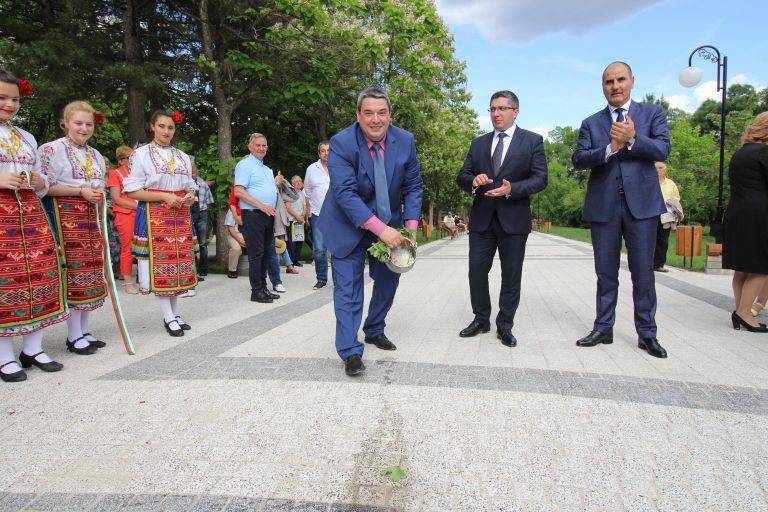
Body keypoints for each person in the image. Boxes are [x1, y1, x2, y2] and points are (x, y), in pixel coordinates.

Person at [318, 87, 423, 376]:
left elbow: (413, 186)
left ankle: (375, 328)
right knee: (349, 288)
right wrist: (381, 230)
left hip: (390, 222)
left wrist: (410, 229)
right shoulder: (341, 143)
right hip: (346, 223)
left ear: (390, 115)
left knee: (389, 280)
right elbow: (346, 194)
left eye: (382, 112)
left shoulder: (406, 141)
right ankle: (350, 351)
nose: (375, 119)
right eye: (368, 113)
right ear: (358, 115)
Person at [571, 61, 670, 358]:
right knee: (606, 273)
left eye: (620, 80)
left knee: (643, 274)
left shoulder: (652, 113)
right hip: (605, 208)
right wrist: (610, 149)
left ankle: (647, 333)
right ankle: (603, 328)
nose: (615, 86)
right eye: (609, 81)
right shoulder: (591, 123)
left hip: (642, 207)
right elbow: (579, 159)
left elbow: (662, 150)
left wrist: (633, 140)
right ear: (603, 87)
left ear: (632, 81)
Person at [456, 90, 548, 347]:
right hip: (482, 220)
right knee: (476, 271)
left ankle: (505, 325)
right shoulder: (478, 144)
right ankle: (481, 319)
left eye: (501, 108)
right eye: (492, 109)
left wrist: (513, 189)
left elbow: (541, 179)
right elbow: (462, 176)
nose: (496, 113)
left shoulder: (532, 141)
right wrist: (473, 182)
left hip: (514, 220)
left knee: (511, 275)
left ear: (515, 111)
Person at [0, 69, 67, 382]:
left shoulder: (26, 137)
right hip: (2, 216)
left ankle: (33, 347)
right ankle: (4, 355)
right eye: (2, 97)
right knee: (6, 281)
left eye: (14, 98)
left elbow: (40, 178)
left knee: (39, 275)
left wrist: (39, 180)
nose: (9, 104)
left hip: (29, 213)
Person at [39, 100, 109, 355]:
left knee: (89, 274)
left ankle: (83, 330)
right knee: (73, 272)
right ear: (66, 122)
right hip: (64, 216)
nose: (84, 128)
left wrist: (97, 195)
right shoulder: (51, 150)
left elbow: (99, 184)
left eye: (88, 124)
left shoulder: (95, 155)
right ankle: (73, 335)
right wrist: (80, 191)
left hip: (89, 218)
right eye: (78, 123)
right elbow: (43, 186)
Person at [123, 110, 198, 337]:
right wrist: (164, 197)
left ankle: (174, 314)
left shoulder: (183, 156)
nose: (166, 131)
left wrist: (190, 196)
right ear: (152, 127)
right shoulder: (141, 154)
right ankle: (168, 316)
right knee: (161, 265)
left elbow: (190, 185)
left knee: (178, 266)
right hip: (155, 214)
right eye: (162, 126)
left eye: (170, 128)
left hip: (179, 215)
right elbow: (133, 190)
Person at [722, 112, 768, 332]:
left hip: (737, 212)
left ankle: (741, 310)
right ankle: (744, 313)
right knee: (761, 267)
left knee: (742, 268)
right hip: (758, 214)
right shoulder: (764, 153)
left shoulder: (741, 153)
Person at [234, 133, 285, 303]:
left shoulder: (266, 169)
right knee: (256, 254)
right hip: (253, 214)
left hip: (267, 215)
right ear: (250, 147)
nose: (261, 148)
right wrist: (261, 205)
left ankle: (263, 288)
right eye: (258, 145)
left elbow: (267, 190)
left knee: (264, 254)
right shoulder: (244, 165)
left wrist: (276, 182)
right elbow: (239, 191)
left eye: (264, 145)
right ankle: (256, 291)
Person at [107, 145, 138, 292]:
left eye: (133, 158)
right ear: (120, 160)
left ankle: (143, 278)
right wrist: (136, 206)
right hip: (125, 213)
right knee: (128, 247)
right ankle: (128, 283)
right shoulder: (115, 173)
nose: (131, 161)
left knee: (144, 245)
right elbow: (116, 198)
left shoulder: (136, 172)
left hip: (138, 213)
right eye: (128, 158)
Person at [304, 140, 331, 290]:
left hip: (337, 216)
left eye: (329, 150)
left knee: (339, 249)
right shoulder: (311, 169)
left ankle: (340, 280)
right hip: (318, 215)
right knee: (319, 249)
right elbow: (307, 191)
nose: (326, 153)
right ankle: (321, 279)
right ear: (319, 153)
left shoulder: (339, 167)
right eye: (323, 150)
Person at [653, 161, 681, 272]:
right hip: (651, 214)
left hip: (666, 215)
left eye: (660, 168)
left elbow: (677, 198)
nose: (658, 170)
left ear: (665, 170)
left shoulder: (670, 183)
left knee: (663, 240)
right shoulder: (650, 182)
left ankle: (659, 264)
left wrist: (671, 202)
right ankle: (647, 263)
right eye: (656, 168)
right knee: (649, 239)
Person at [191, 160, 214, 279]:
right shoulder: (186, 184)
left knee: (203, 243)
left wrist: (204, 214)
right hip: (189, 214)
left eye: (194, 172)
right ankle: (192, 269)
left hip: (201, 213)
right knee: (190, 242)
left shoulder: (203, 184)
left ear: (197, 172)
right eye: (191, 172)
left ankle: (203, 269)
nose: (193, 174)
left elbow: (209, 201)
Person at [287, 175, 308, 266]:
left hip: (300, 220)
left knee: (299, 240)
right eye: (296, 181)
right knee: (291, 242)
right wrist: (297, 216)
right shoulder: (289, 193)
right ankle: (290, 262)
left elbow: (304, 205)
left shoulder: (302, 193)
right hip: (292, 219)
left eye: (300, 181)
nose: (299, 183)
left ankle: (296, 260)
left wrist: (303, 215)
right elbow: (288, 207)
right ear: (292, 184)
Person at [225, 208, 246, 278]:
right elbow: (230, 229)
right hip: (234, 235)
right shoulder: (232, 209)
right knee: (236, 249)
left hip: (247, 234)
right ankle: (232, 270)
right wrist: (239, 240)